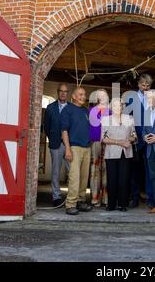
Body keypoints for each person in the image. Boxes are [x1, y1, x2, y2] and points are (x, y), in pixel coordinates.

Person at [61, 87, 93, 215]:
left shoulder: (86, 111)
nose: (82, 96)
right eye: (80, 94)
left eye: (84, 94)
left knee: (84, 178)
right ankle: (70, 204)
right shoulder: (67, 110)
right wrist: (68, 149)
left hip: (87, 148)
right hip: (74, 147)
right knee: (74, 178)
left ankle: (80, 201)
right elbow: (64, 131)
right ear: (73, 96)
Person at [101, 98, 137, 212]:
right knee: (112, 179)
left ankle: (122, 204)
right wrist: (119, 142)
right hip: (111, 153)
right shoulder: (106, 119)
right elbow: (103, 138)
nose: (119, 108)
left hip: (125, 153)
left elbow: (135, 135)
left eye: (120, 105)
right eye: (116, 106)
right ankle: (111, 204)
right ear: (112, 107)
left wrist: (129, 140)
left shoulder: (129, 118)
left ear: (123, 107)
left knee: (124, 179)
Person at [128, 74, 154, 208]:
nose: (145, 88)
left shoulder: (153, 99)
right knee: (135, 170)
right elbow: (127, 119)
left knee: (150, 170)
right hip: (136, 139)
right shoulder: (130, 99)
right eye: (143, 85)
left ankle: (151, 198)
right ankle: (135, 197)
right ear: (138, 85)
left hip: (150, 139)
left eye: (148, 86)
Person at [43, 83, 71, 207]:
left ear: (68, 93)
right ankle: (56, 197)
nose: (63, 93)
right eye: (61, 91)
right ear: (58, 92)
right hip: (55, 144)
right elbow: (46, 127)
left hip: (69, 145)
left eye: (65, 91)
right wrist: (53, 137)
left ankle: (72, 197)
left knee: (72, 171)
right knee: (55, 172)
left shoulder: (72, 108)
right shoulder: (50, 108)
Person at [89, 89, 110, 207]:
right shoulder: (91, 111)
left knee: (106, 170)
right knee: (95, 171)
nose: (103, 98)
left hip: (108, 143)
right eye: (100, 96)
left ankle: (105, 197)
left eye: (105, 95)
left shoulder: (111, 112)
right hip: (95, 142)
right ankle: (94, 197)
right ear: (97, 98)